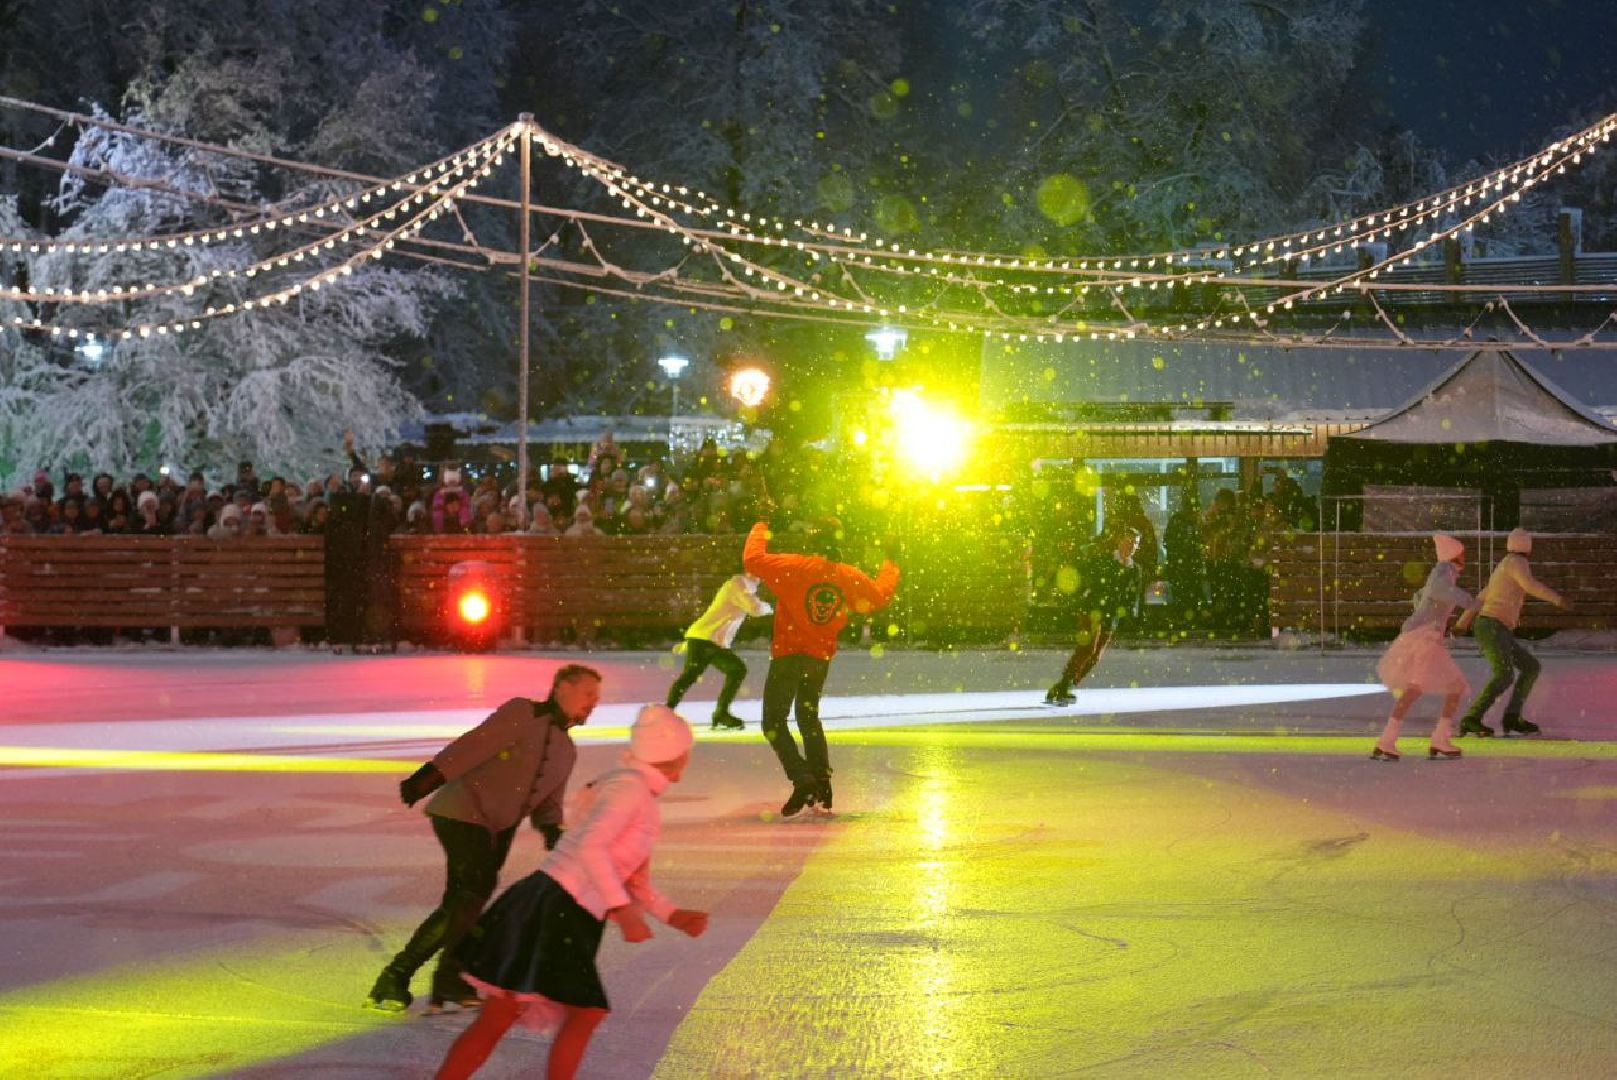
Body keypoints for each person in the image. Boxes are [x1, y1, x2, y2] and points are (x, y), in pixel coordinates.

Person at [434, 705, 708, 1080]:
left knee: (502, 1014)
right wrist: (623, 910)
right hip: (559, 908)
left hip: (549, 902)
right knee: (583, 1011)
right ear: (676, 755)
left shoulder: (628, 788)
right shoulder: (630, 793)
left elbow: (630, 876)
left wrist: (671, 914)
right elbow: (592, 848)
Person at [366, 664, 603, 1013]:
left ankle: (395, 977)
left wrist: (554, 831)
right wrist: (429, 777)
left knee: (462, 904)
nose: (592, 704)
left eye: (596, 698)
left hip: (497, 829)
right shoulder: (523, 712)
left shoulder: (567, 750)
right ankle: (451, 977)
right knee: (474, 890)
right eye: (587, 695)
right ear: (561, 688)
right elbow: (474, 745)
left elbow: (548, 802)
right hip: (461, 812)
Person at [743, 518, 900, 817]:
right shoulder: (846, 576)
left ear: (811, 543)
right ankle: (822, 779)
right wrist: (891, 562)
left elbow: (752, 559)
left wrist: (762, 524)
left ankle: (803, 779)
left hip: (788, 655)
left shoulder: (794, 567)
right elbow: (879, 596)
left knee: (774, 722)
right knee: (808, 717)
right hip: (818, 658)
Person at [1371, 533, 1480, 761]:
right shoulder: (1443, 574)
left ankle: (1392, 741)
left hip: (1424, 638)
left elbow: (1421, 595)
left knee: (1433, 688)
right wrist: (1473, 602)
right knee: (1448, 686)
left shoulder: (1443, 574)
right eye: (1462, 554)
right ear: (1453, 556)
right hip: (1425, 641)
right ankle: (1432, 739)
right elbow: (1440, 592)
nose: (1465, 558)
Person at [1453, 529, 1571, 737]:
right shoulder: (1517, 563)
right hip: (1492, 626)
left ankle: (1512, 717)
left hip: (1495, 627)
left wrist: (1463, 623)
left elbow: (1482, 596)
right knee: (1505, 674)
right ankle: (1472, 718)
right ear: (1527, 547)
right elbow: (1529, 585)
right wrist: (1558, 599)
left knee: (1530, 667)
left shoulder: (1505, 564)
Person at [1044, 526, 1143, 706]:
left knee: (1096, 655)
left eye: (1135, 543)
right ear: (1120, 541)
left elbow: (1133, 596)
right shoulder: (1104, 560)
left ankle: (1065, 685)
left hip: (1111, 615)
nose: (1131, 546)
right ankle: (1065, 686)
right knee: (1087, 648)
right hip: (1093, 610)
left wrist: (1129, 613)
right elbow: (1089, 579)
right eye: (1129, 541)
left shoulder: (1135, 569)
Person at [666, 573, 773, 730]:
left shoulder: (745, 589)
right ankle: (668, 712)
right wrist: (771, 607)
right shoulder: (737, 584)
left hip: (709, 640)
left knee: (701, 673)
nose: (761, 577)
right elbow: (755, 608)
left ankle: (718, 713)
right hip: (706, 640)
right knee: (695, 674)